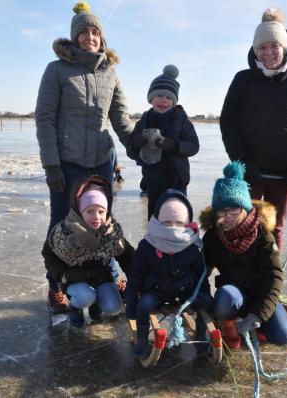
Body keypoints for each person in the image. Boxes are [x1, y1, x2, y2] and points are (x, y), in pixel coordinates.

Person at [35, 1, 134, 313]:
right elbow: (45, 119)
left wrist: (140, 146)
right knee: (61, 223)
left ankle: (109, 276)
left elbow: (121, 120)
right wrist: (51, 164)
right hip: (67, 160)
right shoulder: (57, 70)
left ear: (101, 37)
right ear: (74, 36)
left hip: (102, 159)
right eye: (84, 32)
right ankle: (57, 286)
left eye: (95, 32)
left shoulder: (111, 73)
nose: (90, 37)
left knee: (102, 222)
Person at [219, 8, 287, 249]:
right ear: (255, 50)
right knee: (244, 224)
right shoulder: (242, 80)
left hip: (284, 175)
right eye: (261, 47)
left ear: (284, 47)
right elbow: (228, 122)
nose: (267, 52)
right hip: (250, 172)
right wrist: (242, 163)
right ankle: (242, 279)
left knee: (274, 228)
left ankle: (270, 281)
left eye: (273, 46)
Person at [199, 161, 287, 349]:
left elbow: (274, 278)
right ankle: (227, 323)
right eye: (221, 210)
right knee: (226, 297)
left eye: (233, 210)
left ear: (244, 208)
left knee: (283, 336)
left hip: (260, 294)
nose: (226, 216)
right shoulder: (212, 237)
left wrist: (259, 314)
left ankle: (256, 325)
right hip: (234, 295)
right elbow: (201, 270)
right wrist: (203, 300)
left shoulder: (263, 236)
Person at [125, 190, 211, 358]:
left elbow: (201, 275)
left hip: (186, 291)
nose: (172, 227)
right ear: (158, 221)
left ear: (186, 223)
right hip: (157, 291)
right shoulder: (148, 245)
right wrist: (131, 301)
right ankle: (142, 340)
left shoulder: (192, 246)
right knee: (143, 305)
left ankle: (200, 336)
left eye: (178, 222)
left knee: (207, 303)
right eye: (167, 222)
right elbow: (136, 275)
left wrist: (204, 294)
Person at [42, 175, 134, 328]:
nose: (96, 217)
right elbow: (49, 254)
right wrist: (62, 274)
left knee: (114, 307)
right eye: (89, 211)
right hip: (75, 278)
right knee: (85, 297)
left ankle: (96, 306)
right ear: (79, 210)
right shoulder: (65, 231)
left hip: (101, 276)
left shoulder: (111, 231)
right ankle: (75, 308)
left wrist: (137, 278)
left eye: (100, 211)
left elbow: (126, 254)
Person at [128, 65, 200, 219]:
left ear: (174, 101)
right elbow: (131, 151)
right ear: (151, 98)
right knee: (155, 219)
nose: (163, 100)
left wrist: (173, 145)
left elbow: (193, 146)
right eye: (159, 95)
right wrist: (137, 143)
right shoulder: (143, 122)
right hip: (153, 181)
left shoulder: (181, 120)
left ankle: (181, 242)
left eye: (168, 97)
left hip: (176, 180)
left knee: (178, 217)